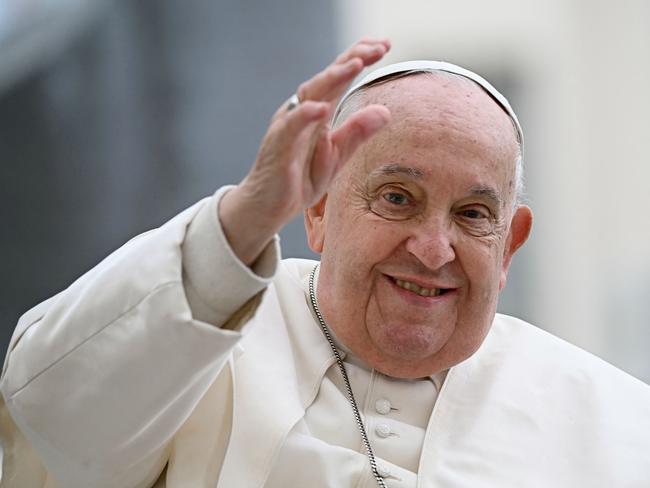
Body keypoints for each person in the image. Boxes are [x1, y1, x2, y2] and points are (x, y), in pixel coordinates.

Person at [0, 38, 649, 488]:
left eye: (473, 215)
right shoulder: (199, 335)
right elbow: (53, 409)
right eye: (398, 199)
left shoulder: (619, 424)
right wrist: (247, 217)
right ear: (318, 209)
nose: (433, 249)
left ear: (508, 246)